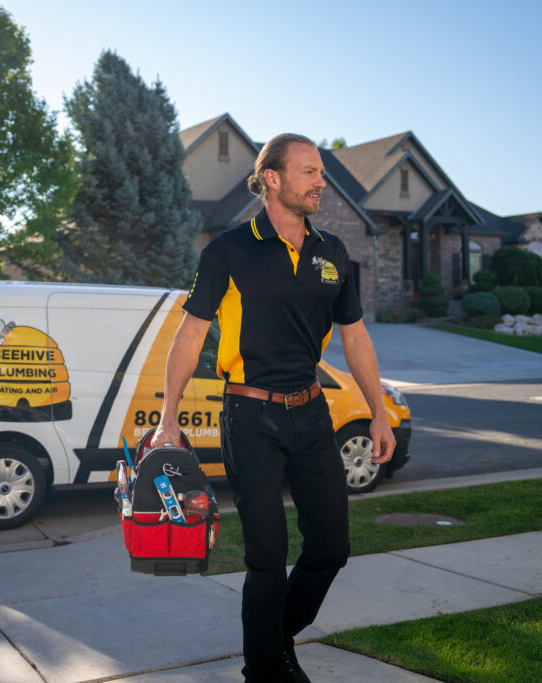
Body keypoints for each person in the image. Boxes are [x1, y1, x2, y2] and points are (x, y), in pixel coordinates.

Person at [150, 133, 395, 682]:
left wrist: (378, 412)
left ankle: (274, 637)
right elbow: (190, 337)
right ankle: (265, 668)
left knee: (331, 547)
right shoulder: (229, 250)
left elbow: (356, 338)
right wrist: (168, 418)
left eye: (321, 172)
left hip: (311, 413)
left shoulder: (333, 253)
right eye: (308, 171)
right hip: (249, 415)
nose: (320, 182)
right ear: (273, 179)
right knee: (267, 553)